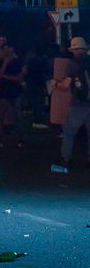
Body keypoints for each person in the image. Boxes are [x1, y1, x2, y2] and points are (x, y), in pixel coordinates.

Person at [51, 36, 90, 173]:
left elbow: (66, 85)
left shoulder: (73, 64)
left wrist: (55, 84)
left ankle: (65, 160)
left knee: (68, 132)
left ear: (74, 50)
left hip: (79, 103)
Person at [0, 40, 26, 148]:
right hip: (3, 91)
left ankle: (20, 139)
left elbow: (20, 77)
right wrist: (5, 64)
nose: (7, 50)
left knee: (18, 116)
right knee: (0, 116)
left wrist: (7, 77)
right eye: (5, 48)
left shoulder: (18, 62)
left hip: (15, 91)